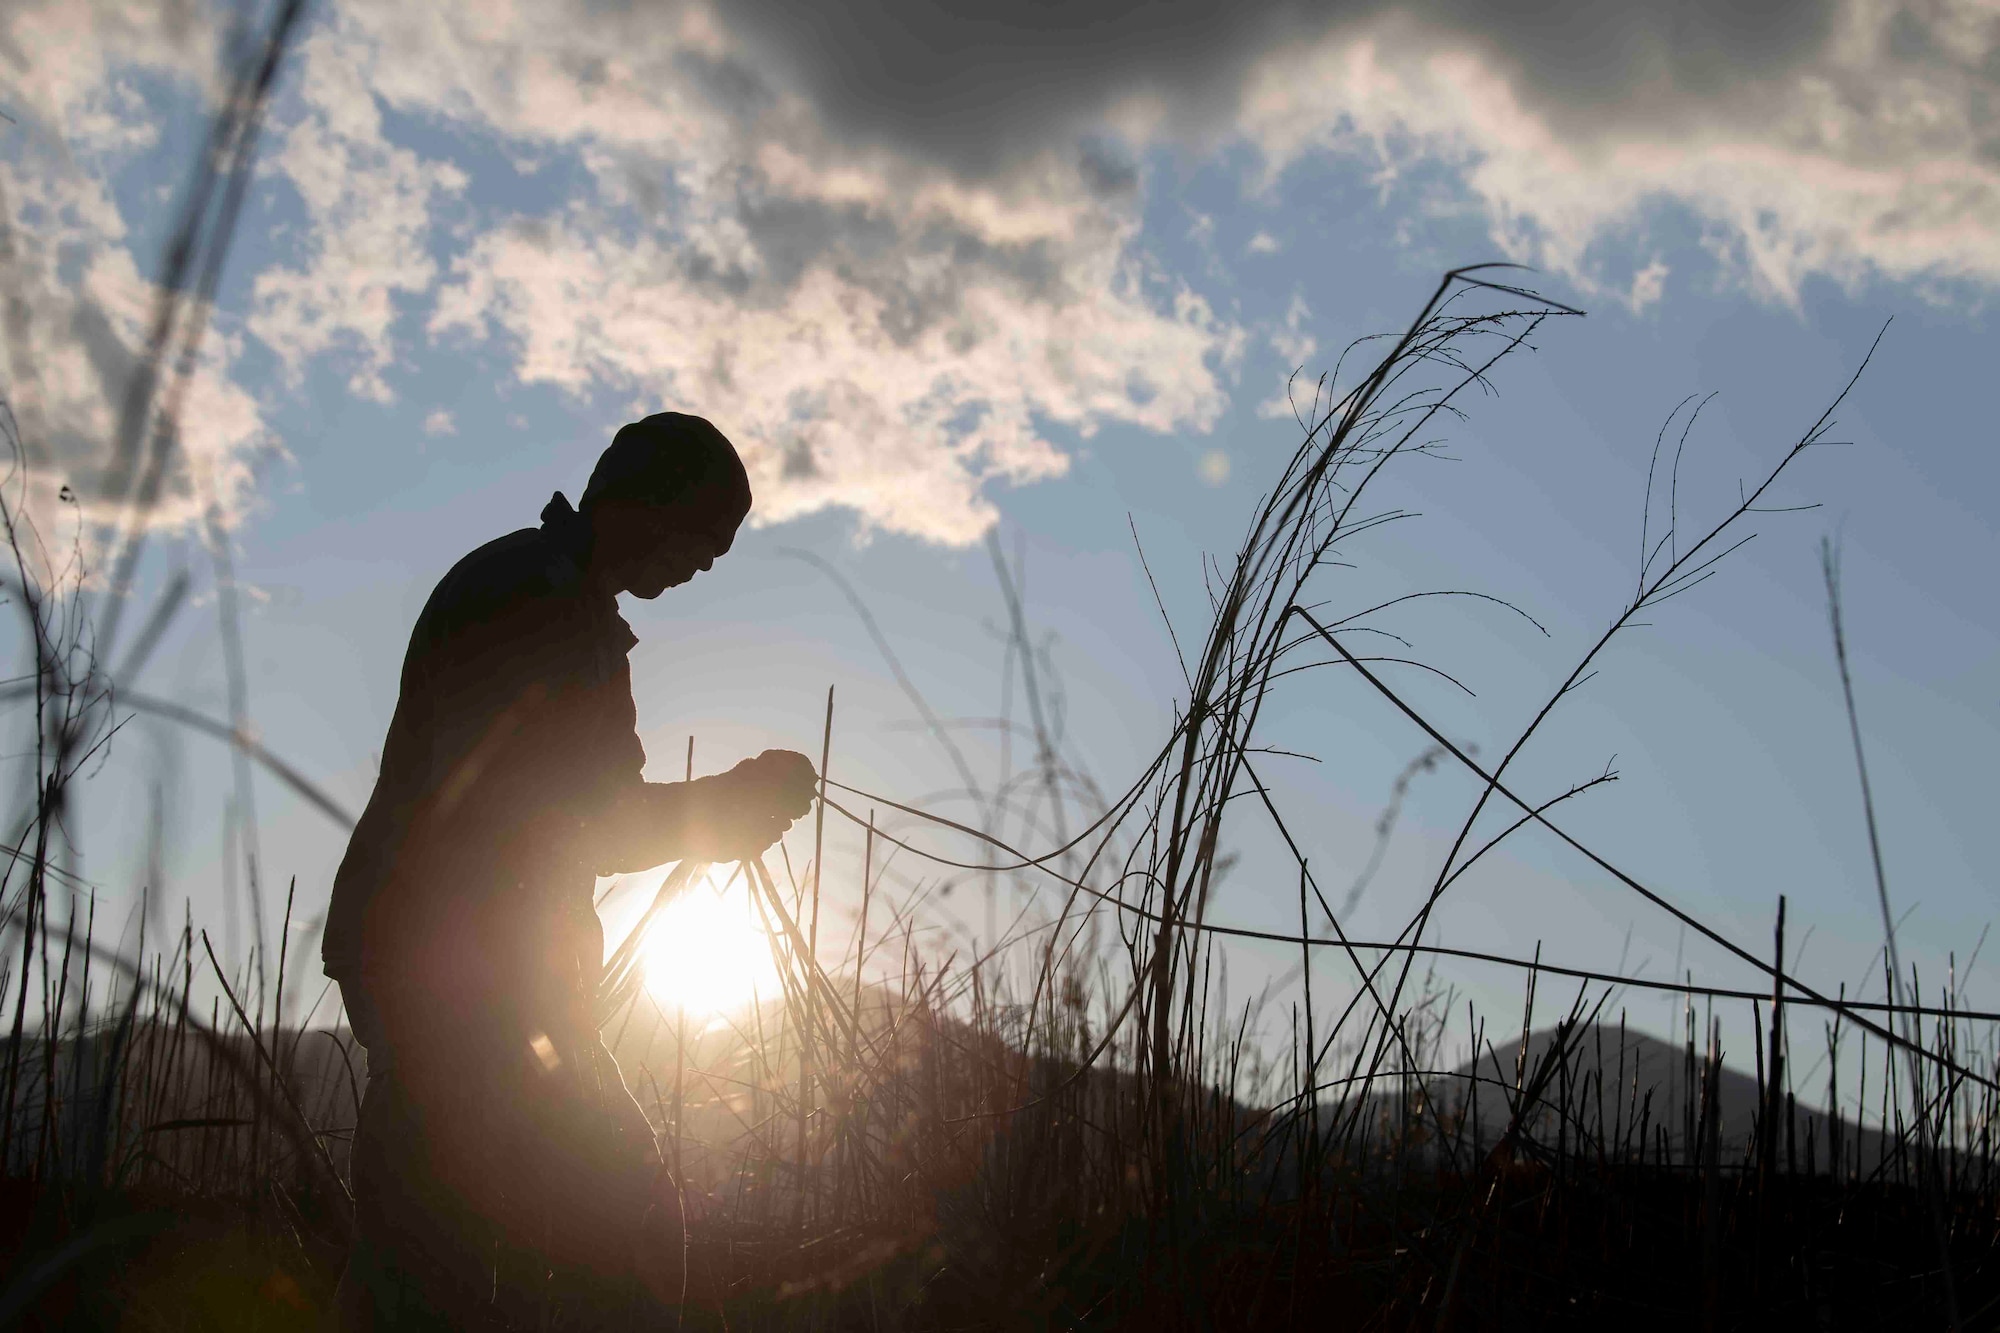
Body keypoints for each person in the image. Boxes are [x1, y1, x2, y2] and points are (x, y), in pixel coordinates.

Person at [325, 413, 817, 1328]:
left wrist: (723, 811)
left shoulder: (582, 619)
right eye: (702, 538)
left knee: (529, 1242)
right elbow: (552, 820)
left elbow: (595, 823)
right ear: (645, 499)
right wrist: (723, 805)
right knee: (446, 1261)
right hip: (453, 977)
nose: (704, 565)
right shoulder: (525, 598)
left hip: (508, 984)